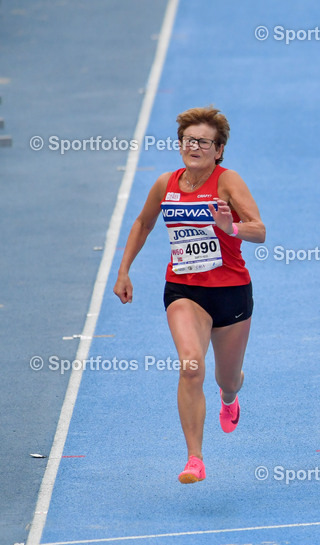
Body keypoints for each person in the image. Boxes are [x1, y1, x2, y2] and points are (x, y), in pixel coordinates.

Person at [113, 106, 266, 484]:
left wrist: (231, 227)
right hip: (184, 291)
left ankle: (229, 397)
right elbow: (143, 222)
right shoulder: (166, 183)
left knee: (226, 379)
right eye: (188, 140)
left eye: (203, 142)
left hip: (230, 292)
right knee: (190, 365)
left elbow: (259, 230)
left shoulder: (229, 182)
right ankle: (194, 458)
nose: (194, 147)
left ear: (219, 149)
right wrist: (124, 270)